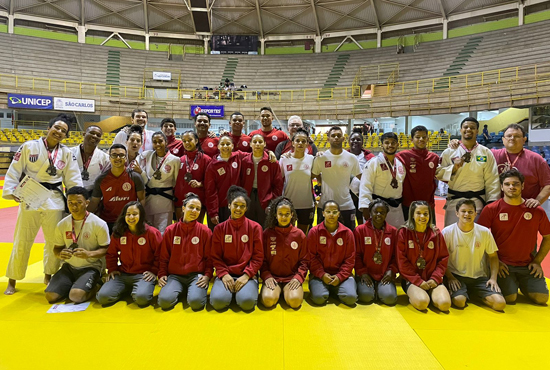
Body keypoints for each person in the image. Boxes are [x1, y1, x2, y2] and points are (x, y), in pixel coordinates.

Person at [3, 114, 82, 295]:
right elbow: (14, 170)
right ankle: (12, 280)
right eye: (57, 128)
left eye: (64, 131)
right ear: (49, 128)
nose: (59, 132)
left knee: (53, 241)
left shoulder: (66, 153)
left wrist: (75, 201)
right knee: (22, 239)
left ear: (66, 135)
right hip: (30, 196)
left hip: (53, 200)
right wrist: (12, 190)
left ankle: (49, 275)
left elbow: (73, 179)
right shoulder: (29, 147)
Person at [478, 169, 550, 305]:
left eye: (516, 184)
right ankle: (511, 284)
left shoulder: (536, 210)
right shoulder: (492, 209)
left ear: (522, 186)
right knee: (510, 298)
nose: (512, 187)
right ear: (501, 187)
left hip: (528, 265)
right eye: (507, 184)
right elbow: (479, 237)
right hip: (503, 265)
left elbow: (548, 237)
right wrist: (493, 262)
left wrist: (537, 261)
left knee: (541, 298)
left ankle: (523, 283)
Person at [45, 186, 110, 304]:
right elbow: (56, 249)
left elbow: (106, 249)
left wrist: (88, 254)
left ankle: (96, 285)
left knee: (76, 297)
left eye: (79, 203)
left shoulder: (99, 224)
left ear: (87, 203)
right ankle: (74, 285)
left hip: (91, 267)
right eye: (70, 203)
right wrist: (60, 254)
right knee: (50, 296)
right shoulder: (62, 224)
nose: (74, 206)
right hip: (68, 267)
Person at [442, 199, 505, 311]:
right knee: (459, 302)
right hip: (456, 276)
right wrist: (450, 277)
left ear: (476, 213)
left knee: (500, 304)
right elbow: (441, 258)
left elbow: (493, 256)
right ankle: (462, 293)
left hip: (479, 277)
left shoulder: (484, 232)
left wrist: (493, 278)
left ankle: (475, 295)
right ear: (457, 213)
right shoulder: (447, 232)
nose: (467, 214)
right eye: (463, 211)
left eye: (470, 212)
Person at [96, 201, 162, 307]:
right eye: (128, 214)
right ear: (124, 216)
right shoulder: (119, 232)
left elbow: (160, 254)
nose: (131, 217)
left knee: (142, 299)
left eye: (135, 214)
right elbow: (111, 254)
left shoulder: (152, 233)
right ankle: (126, 288)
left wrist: (154, 271)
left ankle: (139, 288)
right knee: (103, 297)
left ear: (141, 216)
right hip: (123, 274)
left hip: (143, 275)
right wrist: (112, 270)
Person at [437, 117, 500, 226]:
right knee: (451, 238)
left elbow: (492, 180)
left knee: (476, 239)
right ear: (461, 130)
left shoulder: (486, 152)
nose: (468, 129)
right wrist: (453, 168)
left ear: (477, 131)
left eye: (472, 127)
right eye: (465, 127)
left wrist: (491, 204)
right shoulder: (449, 152)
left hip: (477, 203)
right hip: (454, 202)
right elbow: (438, 173)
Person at [210, 186, 264, 311]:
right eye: (235, 205)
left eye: (242, 206)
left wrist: (247, 275)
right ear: (229, 205)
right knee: (218, 302)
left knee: (247, 303)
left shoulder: (255, 228)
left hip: (247, 274)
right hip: (226, 274)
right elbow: (215, 256)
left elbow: (258, 256)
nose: (238, 209)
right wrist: (223, 274)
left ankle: (244, 292)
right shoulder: (219, 229)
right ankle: (228, 293)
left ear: (246, 208)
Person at [157, 193, 212, 310]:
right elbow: (164, 256)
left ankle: (192, 291)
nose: (194, 211)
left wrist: (207, 275)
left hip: (196, 275)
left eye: (198, 209)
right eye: (191, 207)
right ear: (183, 208)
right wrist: (162, 274)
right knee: (164, 302)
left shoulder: (205, 231)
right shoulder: (170, 230)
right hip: (175, 276)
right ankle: (180, 289)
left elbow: (209, 258)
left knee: (196, 303)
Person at [396, 201, 451, 312]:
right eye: (418, 213)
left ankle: (432, 294)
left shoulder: (435, 233)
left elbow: (443, 258)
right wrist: (418, 281)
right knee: (422, 303)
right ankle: (419, 295)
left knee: (444, 305)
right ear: (412, 214)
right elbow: (402, 262)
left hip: (432, 279)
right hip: (412, 279)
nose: (422, 216)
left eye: (425, 214)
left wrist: (435, 278)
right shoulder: (404, 232)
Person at [260, 197, 308, 308]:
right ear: (275, 215)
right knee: (268, 301)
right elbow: (262, 259)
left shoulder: (299, 235)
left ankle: (286, 292)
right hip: (273, 277)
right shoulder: (267, 233)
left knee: (295, 302)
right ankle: (277, 291)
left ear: (292, 215)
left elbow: (305, 260)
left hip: (292, 277)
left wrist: (298, 277)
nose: (284, 217)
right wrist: (266, 276)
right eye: (280, 214)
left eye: (287, 214)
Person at [308, 200, 357, 306]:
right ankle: (329, 289)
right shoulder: (314, 232)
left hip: (342, 275)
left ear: (339, 214)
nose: (331, 215)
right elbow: (311, 257)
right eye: (328, 212)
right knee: (319, 298)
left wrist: (340, 277)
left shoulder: (348, 233)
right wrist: (322, 274)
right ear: (323, 213)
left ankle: (335, 288)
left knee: (351, 298)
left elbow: (350, 259)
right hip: (319, 276)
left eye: (334, 212)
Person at [312, 126, 362, 231]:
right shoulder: (320, 158)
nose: (336, 138)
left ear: (343, 139)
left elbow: (363, 178)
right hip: (324, 204)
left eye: (339, 135)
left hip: (346, 205)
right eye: (333, 135)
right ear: (328, 138)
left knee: (348, 238)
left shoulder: (351, 158)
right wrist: (320, 181)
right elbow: (313, 175)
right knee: (322, 239)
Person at [88, 144, 145, 233]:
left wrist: (141, 219)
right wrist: (84, 217)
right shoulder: (101, 179)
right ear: (109, 158)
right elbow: (94, 201)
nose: (118, 158)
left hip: (129, 221)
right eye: (114, 155)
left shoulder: (135, 177)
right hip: (107, 222)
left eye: (121, 155)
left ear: (126, 158)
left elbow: (142, 199)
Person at [133, 131, 180, 234]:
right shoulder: (147, 155)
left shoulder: (175, 160)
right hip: (148, 199)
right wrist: (141, 172)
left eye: (160, 141)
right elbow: (135, 165)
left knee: (162, 232)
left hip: (165, 200)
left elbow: (176, 182)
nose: (158, 144)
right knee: (148, 231)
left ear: (166, 142)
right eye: (155, 142)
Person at [354, 199, 398, 305]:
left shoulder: (393, 232)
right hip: (365, 274)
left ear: (386, 214)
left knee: (389, 298)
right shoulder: (360, 230)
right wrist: (362, 272)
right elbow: (356, 255)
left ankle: (381, 290)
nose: (378, 214)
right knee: (365, 297)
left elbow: (396, 256)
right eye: (375, 211)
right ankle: (372, 289)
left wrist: (391, 271)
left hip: (385, 274)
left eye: (382, 212)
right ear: (370, 212)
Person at [359, 132, 406, 228]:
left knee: (396, 235)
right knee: (378, 236)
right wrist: (365, 208)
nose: (390, 145)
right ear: (382, 145)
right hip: (378, 208)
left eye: (393, 143)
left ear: (398, 144)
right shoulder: (373, 163)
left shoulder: (400, 164)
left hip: (397, 208)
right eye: (387, 142)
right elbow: (365, 186)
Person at [396, 125, 440, 220]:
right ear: (412, 139)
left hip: (428, 204)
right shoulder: (402, 156)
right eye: (417, 137)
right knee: (409, 233)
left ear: (428, 139)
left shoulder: (434, 158)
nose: (421, 139)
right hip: (409, 204)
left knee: (430, 233)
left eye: (424, 137)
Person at [240, 134, 284, 227]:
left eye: (260, 142)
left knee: (265, 225)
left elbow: (278, 183)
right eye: (254, 142)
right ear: (250, 144)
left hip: (266, 197)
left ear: (264, 144)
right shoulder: (244, 161)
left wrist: (273, 200)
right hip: (249, 196)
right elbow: (241, 181)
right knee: (249, 224)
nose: (257, 144)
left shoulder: (272, 161)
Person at [279, 128, 315, 233]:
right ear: (293, 143)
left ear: (307, 144)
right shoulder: (284, 159)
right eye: (297, 141)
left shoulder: (312, 159)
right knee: (288, 234)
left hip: (306, 204)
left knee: (303, 235)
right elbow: (278, 181)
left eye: (303, 141)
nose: (300, 143)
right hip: (288, 203)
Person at [174, 131, 212, 223]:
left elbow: (211, 181)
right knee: (181, 227)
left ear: (196, 141)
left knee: (196, 230)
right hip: (180, 201)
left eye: (190, 140)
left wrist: (200, 184)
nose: (187, 143)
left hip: (199, 201)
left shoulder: (206, 159)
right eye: (184, 141)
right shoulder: (179, 160)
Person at [71, 125, 109, 195]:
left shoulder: (105, 158)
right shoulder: (70, 153)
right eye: (92, 133)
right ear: (84, 134)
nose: (95, 136)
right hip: (72, 192)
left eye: (98, 135)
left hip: (93, 194)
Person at [348, 128, 375, 226]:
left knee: (362, 221)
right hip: (346, 195)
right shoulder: (343, 155)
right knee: (348, 221)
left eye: (358, 139)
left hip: (362, 194)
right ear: (348, 141)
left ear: (362, 142)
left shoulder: (370, 157)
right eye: (353, 139)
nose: (355, 141)